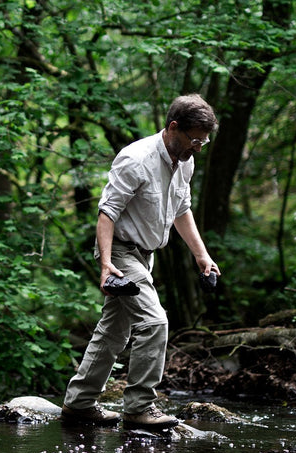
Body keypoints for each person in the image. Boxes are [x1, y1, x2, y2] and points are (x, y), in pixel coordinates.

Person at [62, 94, 220, 430]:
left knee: (113, 333)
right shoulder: (136, 159)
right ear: (172, 127)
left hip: (144, 255)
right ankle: (138, 408)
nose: (198, 148)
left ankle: (78, 404)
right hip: (119, 252)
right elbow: (107, 213)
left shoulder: (186, 161)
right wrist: (106, 265)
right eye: (194, 140)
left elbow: (181, 210)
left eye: (203, 141)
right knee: (155, 322)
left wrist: (201, 255)